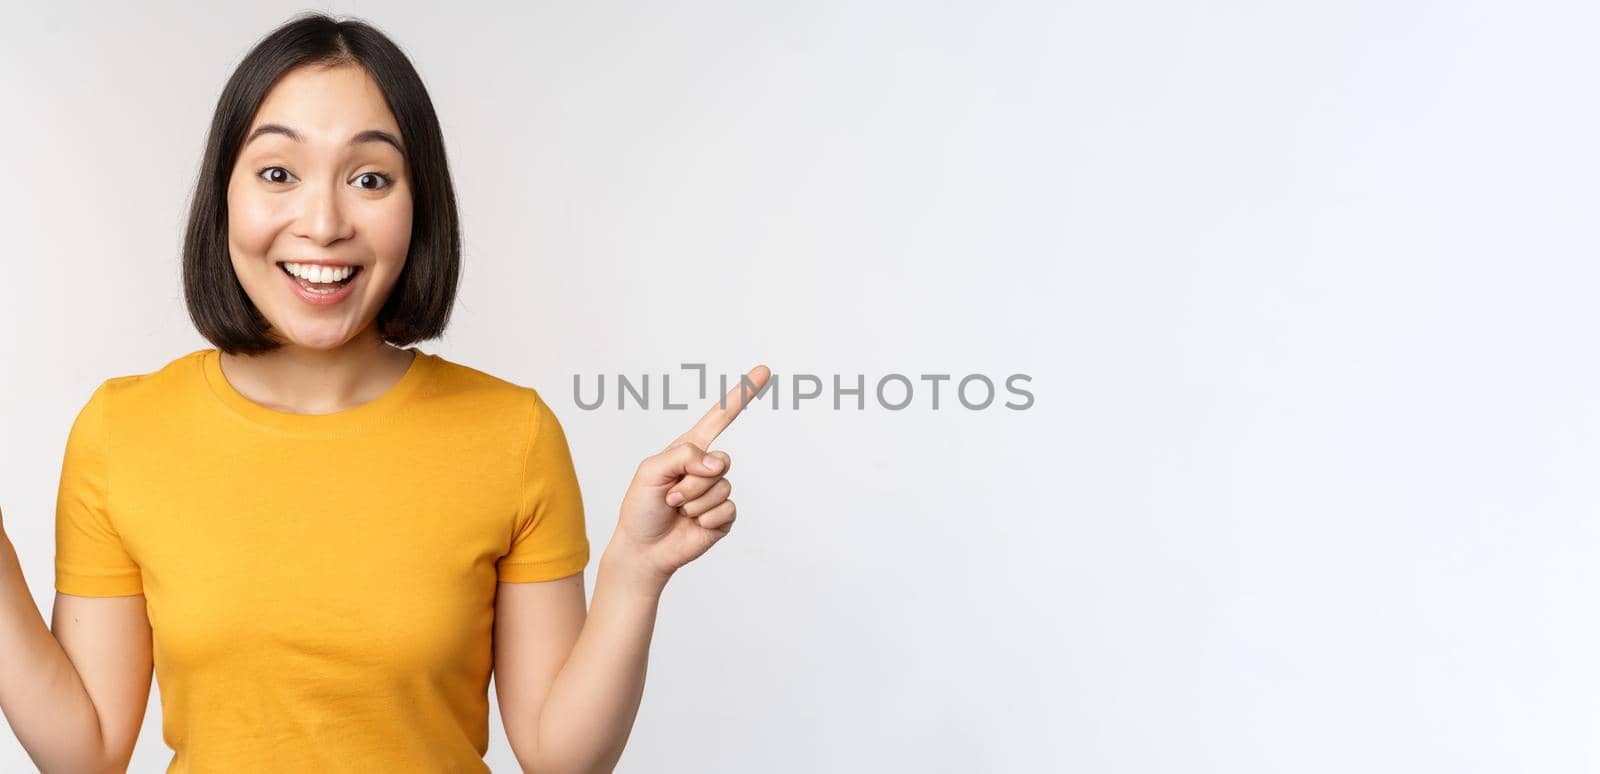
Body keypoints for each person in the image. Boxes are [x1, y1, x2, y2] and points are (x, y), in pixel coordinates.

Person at [0, 11, 768, 772]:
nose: (325, 223)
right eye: (277, 174)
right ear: (223, 196)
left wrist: (636, 569)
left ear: (418, 204)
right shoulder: (122, 432)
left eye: (370, 178)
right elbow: (84, 751)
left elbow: (562, 758)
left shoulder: (512, 433)